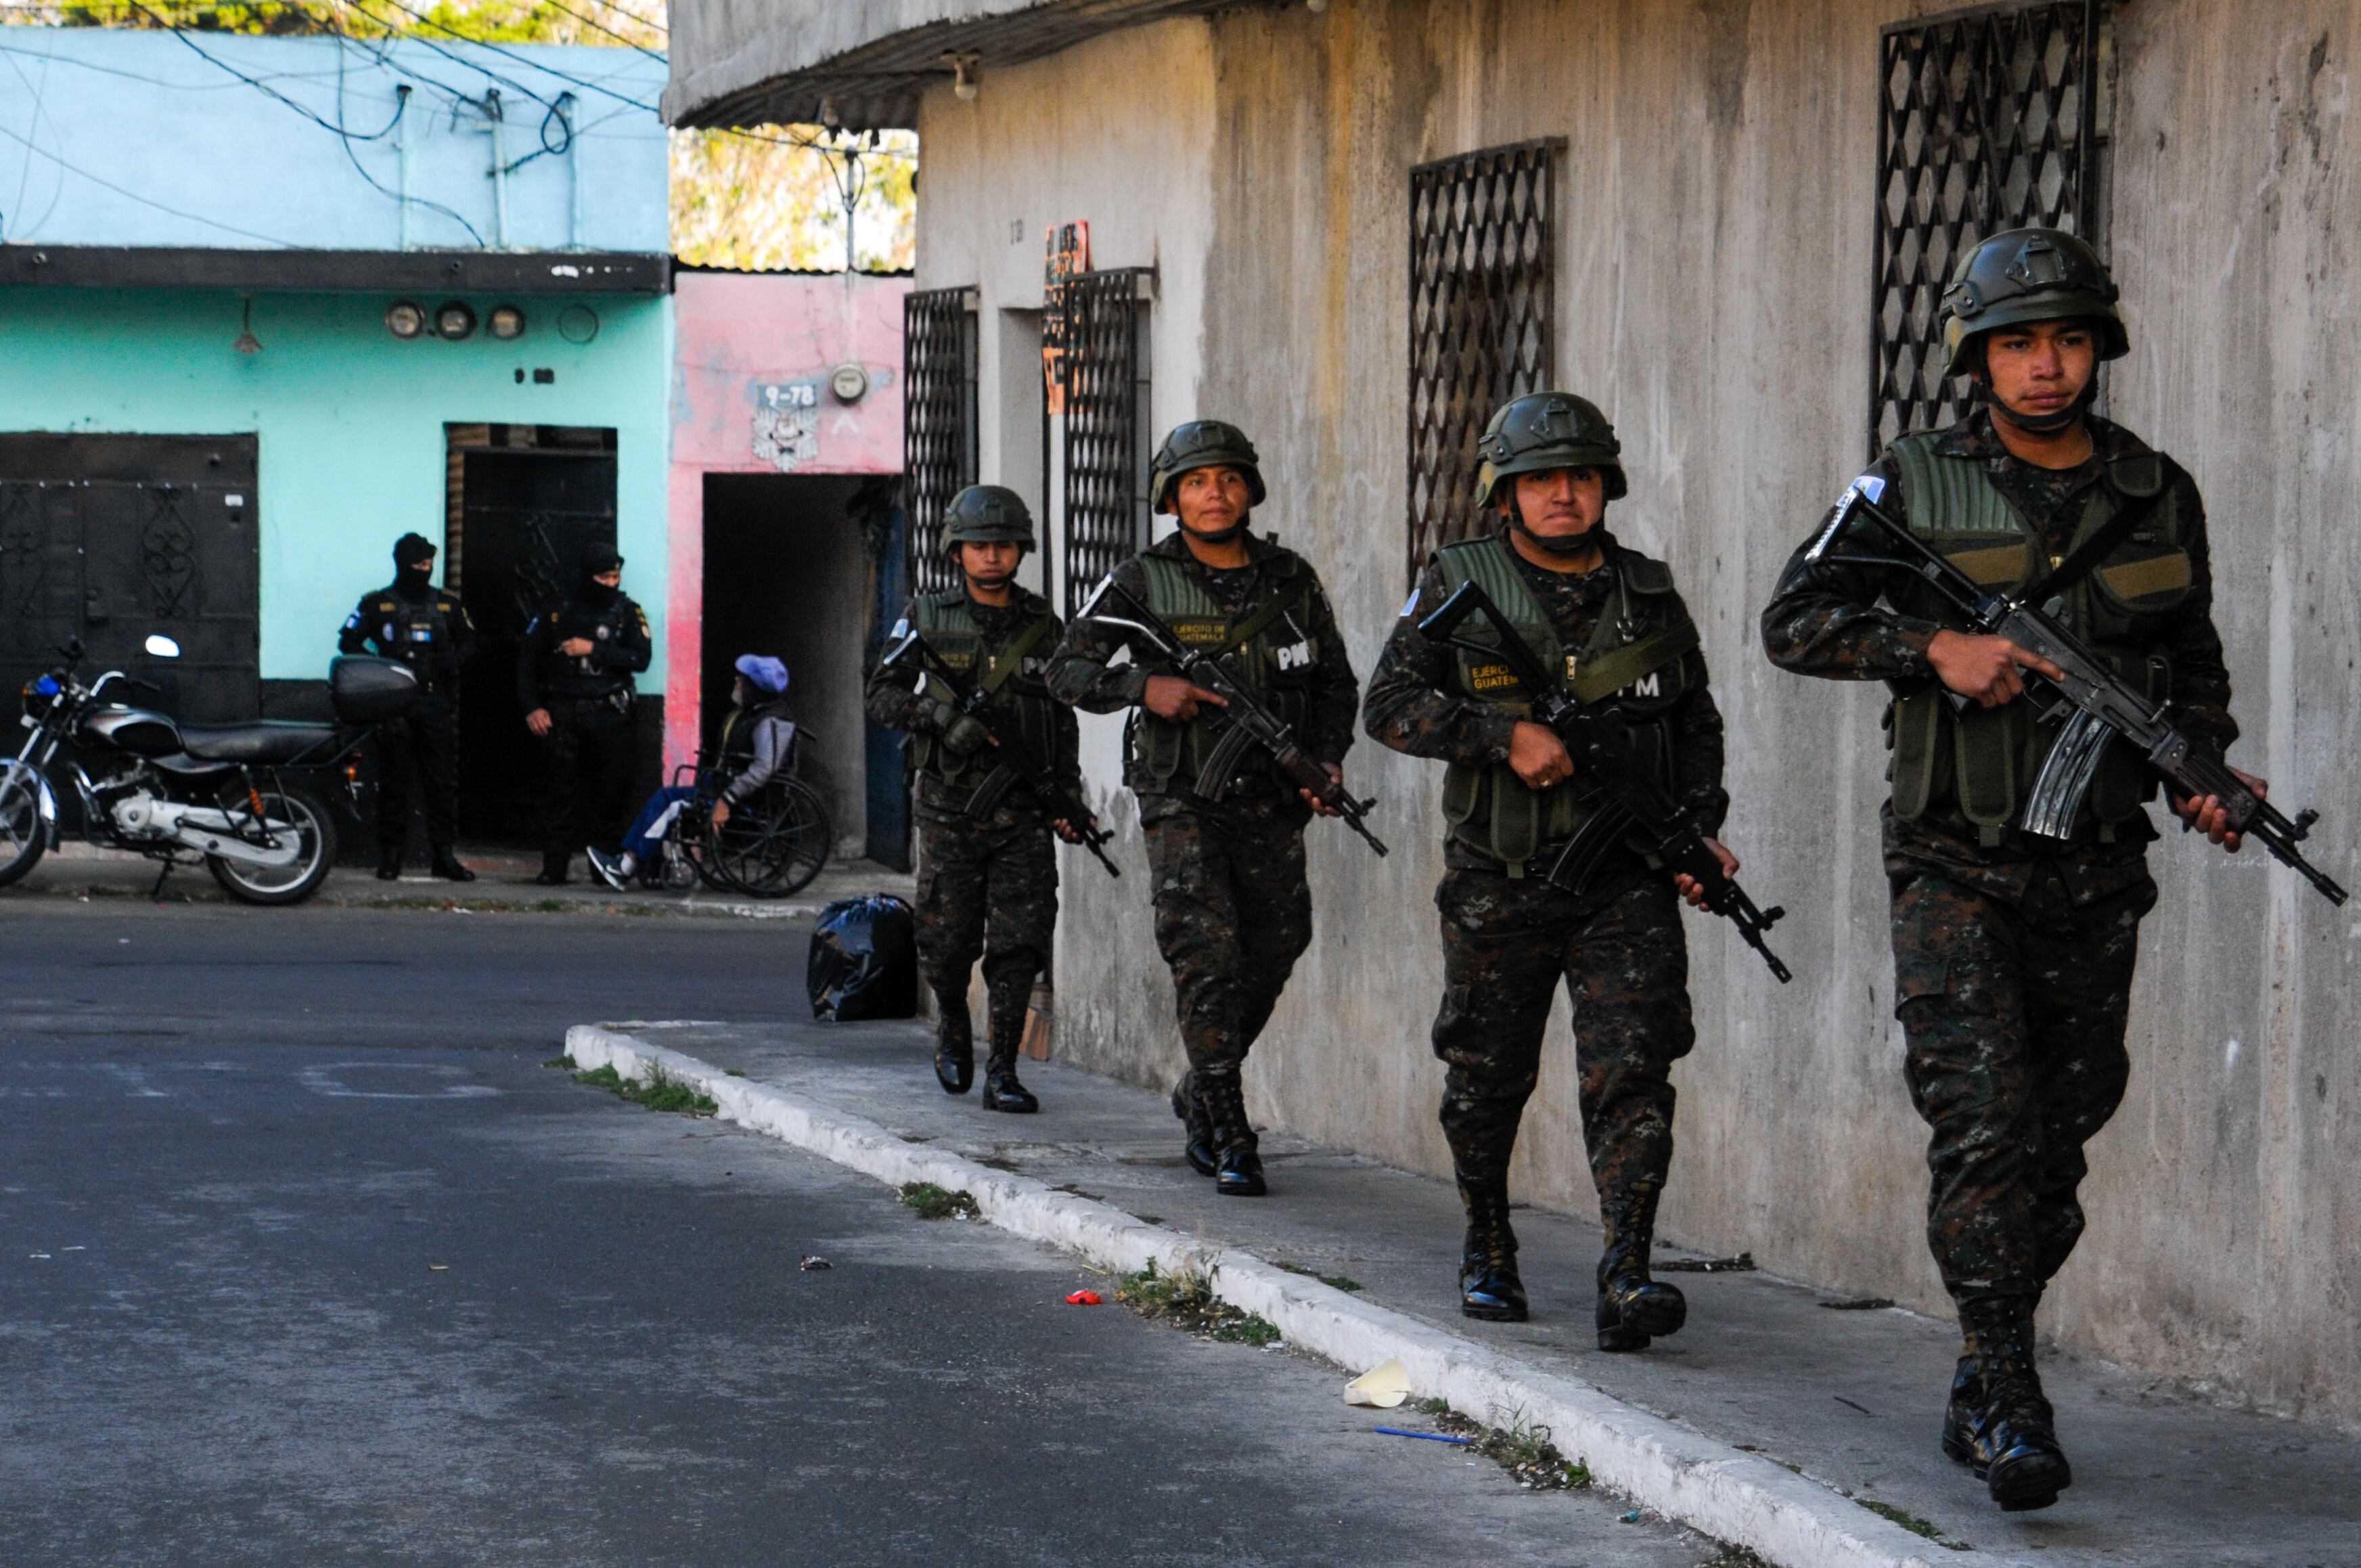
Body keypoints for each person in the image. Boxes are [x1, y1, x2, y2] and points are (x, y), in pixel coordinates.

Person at [1761, 228, 2250, 1513]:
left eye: (2067, 340)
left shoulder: (2154, 489)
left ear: (2098, 350)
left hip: (2094, 866)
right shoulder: (1908, 482)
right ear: (1975, 354)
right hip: (1952, 863)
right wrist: (1930, 647)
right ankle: (2005, 1389)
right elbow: (1792, 620)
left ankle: (1982, 1376)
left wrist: (2202, 769)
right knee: (1980, 1130)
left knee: (2058, 1142)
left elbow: (2185, 661)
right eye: (2019, 342)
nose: (2045, 366)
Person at [1363, 391, 1734, 1342]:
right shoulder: (1456, 578)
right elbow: (1390, 704)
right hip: (1501, 874)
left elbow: (1694, 724)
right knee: (1487, 1075)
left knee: (1634, 1070)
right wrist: (1499, 735)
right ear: (1505, 492)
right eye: (1540, 480)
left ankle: (1627, 1272)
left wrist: (1698, 830)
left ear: (1603, 486)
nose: (1562, 495)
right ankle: (1488, 1240)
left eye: (1578, 477)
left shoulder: (1647, 591)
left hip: (1625, 880)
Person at [1045, 422, 1359, 1194]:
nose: (1213, 494)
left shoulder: (1290, 579)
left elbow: (1335, 683)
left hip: (1273, 799)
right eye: (1195, 482)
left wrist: (1324, 758)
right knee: (1206, 954)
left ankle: (1202, 1079)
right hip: (1182, 797)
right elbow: (1064, 669)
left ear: (1249, 488)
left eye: (1226, 479)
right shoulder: (1141, 580)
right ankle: (1226, 1123)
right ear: (1172, 496)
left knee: (1280, 941)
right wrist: (1142, 687)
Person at [865, 486, 1081, 1113]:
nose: (992, 556)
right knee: (947, 936)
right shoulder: (927, 616)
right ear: (956, 552)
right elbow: (881, 694)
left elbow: (1060, 720)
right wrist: (936, 717)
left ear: (1021, 551)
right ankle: (953, 1022)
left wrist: (1065, 797)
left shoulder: (1043, 625)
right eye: (979, 545)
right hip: (950, 804)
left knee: (1020, 940)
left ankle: (1004, 1068)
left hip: (1022, 809)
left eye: (1004, 545)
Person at [588, 654, 795, 892]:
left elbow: (764, 769)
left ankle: (625, 867)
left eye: (742, 680)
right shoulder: (754, 713)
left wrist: (727, 800)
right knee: (667, 796)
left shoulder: (771, 722)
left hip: (742, 794)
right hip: (726, 781)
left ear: (754, 688)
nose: (737, 682)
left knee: (669, 803)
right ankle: (632, 863)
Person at [338, 532, 476, 882]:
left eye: (429, 564)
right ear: (402, 564)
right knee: (393, 784)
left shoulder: (447, 605)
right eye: (418, 564)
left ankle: (444, 857)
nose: (425, 569)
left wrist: (449, 662)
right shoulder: (377, 603)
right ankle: (391, 858)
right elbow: (348, 640)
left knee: (441, 785)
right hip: (393, 705)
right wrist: (379, 670)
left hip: (434, 702)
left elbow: (471, 642)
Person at [518, 541, 651, 886]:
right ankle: (554, 867)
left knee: (611, 794)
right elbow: (528, 662)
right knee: (560, 793)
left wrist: (594, 649)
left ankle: (604, 867)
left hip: (610, 714)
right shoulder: (557, 612)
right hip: (564, 712)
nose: (611, 584)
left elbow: (641, 658)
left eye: (616, 576)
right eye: (604, 577)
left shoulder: (627, 612)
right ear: (588, 576)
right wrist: (533, 707)